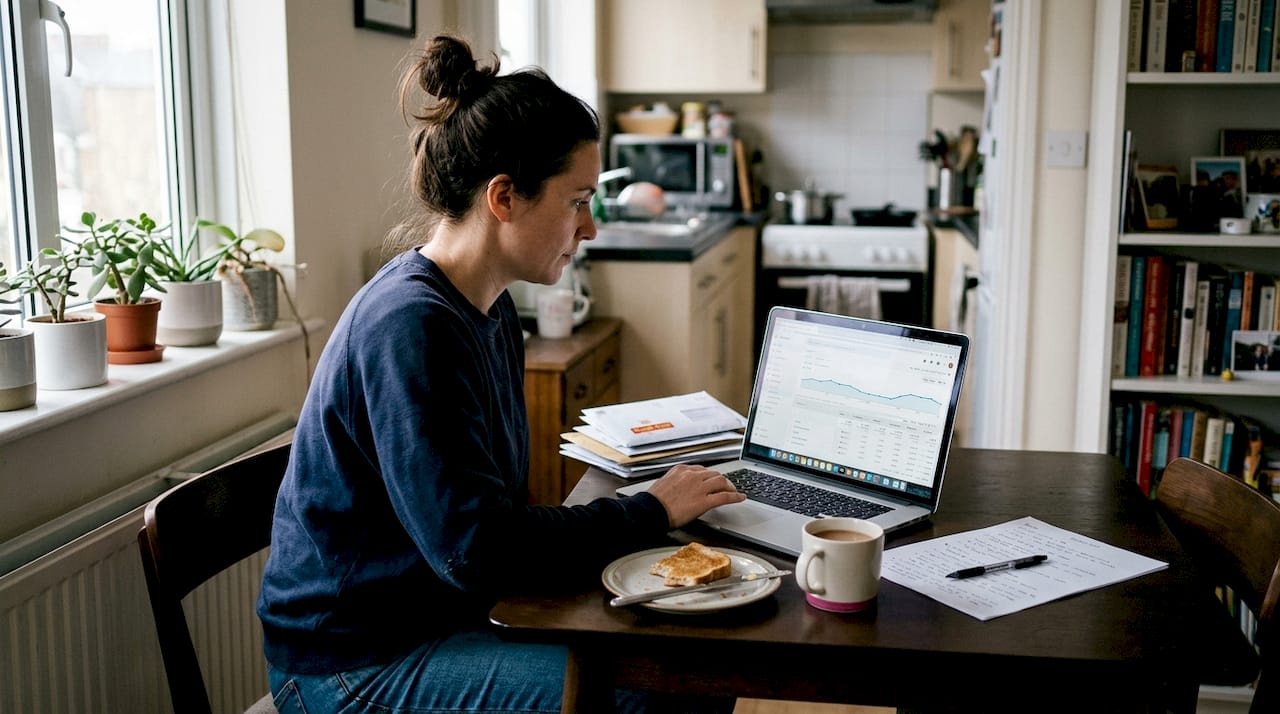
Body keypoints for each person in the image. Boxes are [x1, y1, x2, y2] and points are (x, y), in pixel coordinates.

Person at [255, 34, 746, 714]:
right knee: (664, 692)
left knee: (687, 662)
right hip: (354, 665)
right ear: (504, 197)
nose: (591, 227)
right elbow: (477, 552)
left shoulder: (487, 312)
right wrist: (649, 509)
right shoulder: (412, 326)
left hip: (433, 620)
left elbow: (493, 525)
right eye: (577, 201)